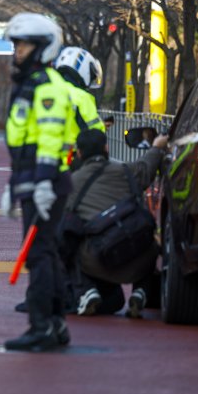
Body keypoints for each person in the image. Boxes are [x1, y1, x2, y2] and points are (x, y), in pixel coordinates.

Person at [0, 12, 74, 352]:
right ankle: (56, 324)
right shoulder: (31, 85)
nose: (18, 51)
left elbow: (48, 139)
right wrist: (13, 184)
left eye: (24, 44)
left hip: (46, 183)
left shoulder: (47, 88)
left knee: (39, 256)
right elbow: (24, 142)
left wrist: (43, 183)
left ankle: (41, 326)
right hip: (33, 181)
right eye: (16, 44)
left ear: (43, 48)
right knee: (47, 253)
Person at [63, 128, 167, 318]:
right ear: (106, 147)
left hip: (96, 260)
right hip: (137, 260)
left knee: (67, 235)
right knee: (148, 236)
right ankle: (141, 291)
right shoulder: (127, 172)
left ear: (79, 153)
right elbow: (147, 167)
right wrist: (157, 147)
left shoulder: (72, 182)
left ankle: (85, 290)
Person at [54, 47, 105, 167]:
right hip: (71, 166)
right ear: (83, 69)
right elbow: (96, 135)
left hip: (41, 165)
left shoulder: (46, 91)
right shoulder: (81, 98)